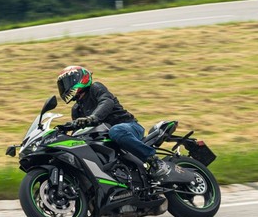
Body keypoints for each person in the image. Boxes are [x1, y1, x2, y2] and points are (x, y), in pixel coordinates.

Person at [56, 65, 189, 183]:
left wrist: (92, 117)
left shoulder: (95, 88)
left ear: (80, 79)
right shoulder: (77, 109)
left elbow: (106, 102)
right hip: (106, 137)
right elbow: (79, 131)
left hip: (128, 127)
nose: (65, 87)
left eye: (67, 82)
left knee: (116, 131)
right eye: (62, 85)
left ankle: (155, 161)